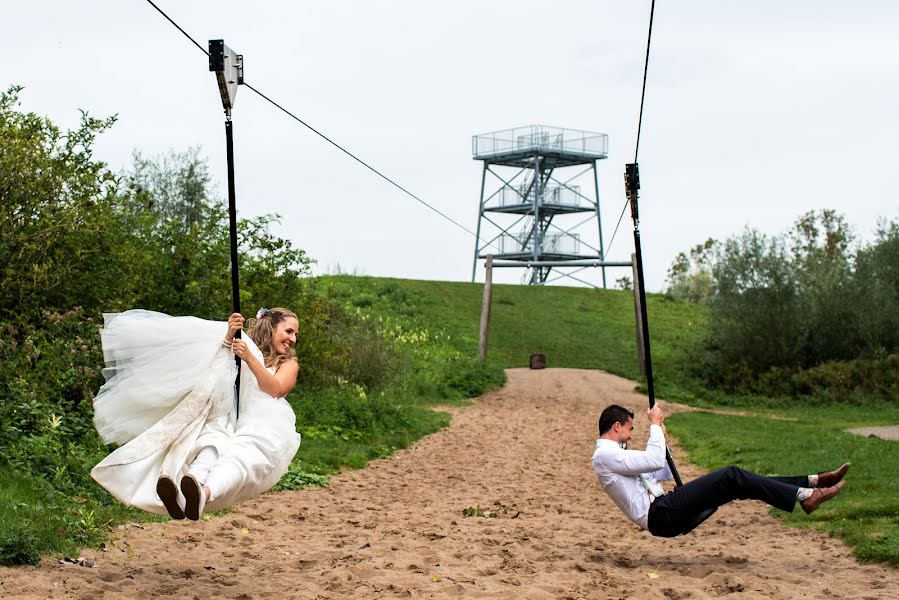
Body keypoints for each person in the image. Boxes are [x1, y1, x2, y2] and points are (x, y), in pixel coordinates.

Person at [91, 308, 301, 521]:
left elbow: (275, 389)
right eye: (289, 331)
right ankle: (191, 490)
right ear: (270, 328)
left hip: (261, 421)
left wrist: (248, 357)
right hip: (227, 416)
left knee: (240, 457)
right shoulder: (242, 347)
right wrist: (229, 336)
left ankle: (203, 494)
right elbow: (218, 367)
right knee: (211, 444)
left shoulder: (288, 364)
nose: (292, 339)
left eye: (295, 335)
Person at [591, 404, 849, 538]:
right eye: (629, 429)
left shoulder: (617, 456)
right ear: (616, 426)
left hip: (665, 508)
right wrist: (655, 426)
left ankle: (809, 485)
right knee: (731, 474)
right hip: (661, 514)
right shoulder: (605, 455)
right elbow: (654, 459)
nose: (630, 434)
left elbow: (661, 471)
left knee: (740, 483)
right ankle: (805, 495)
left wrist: (662, 440)